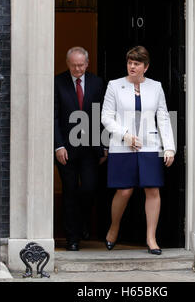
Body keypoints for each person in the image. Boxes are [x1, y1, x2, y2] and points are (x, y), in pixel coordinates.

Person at [101, 46, 175, 255]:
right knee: (124, 190)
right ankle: (113, 228)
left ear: (146, 67)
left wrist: (169, 146)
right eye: (130, 63)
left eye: (137, 63)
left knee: (152, 190)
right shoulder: (114, 86)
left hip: (150, 145)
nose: (132, 67)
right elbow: (106, 116)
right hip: (122, 145)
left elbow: (163, 117)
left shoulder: (156, 87)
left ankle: (151, 238)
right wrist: (125, 135)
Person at [54, 46, 107, 251]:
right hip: (66, 149)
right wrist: (58, 145)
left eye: (81, 65)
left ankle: (84, 222)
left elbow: (102, 115)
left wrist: (104, 145)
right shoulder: (58, 82)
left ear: (87, 63)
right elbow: (54, 116)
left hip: (90, 148)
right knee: (69, 192)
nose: (77, 69)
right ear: (68, 64)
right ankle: (72, 238)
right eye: (74, 65)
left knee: (89, 188)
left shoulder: (97, 82)